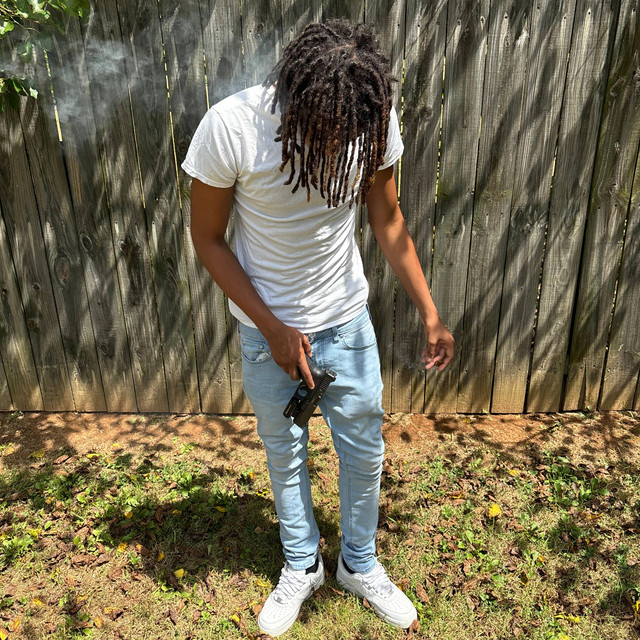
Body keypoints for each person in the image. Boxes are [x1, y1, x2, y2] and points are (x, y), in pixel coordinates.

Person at [181, 18, 455, 637]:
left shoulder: (370, 119)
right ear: (295, 99)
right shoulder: (232, 128)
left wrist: (430, 313)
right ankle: (302, 565)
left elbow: (388, 219)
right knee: (285, 453)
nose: (341, 143)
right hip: (266, 337)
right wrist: (272, 327)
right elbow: (208, 239)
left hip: (347, 325)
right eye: (326, 130)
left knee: (364, 451)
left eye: (350, 132)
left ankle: (358, 563)